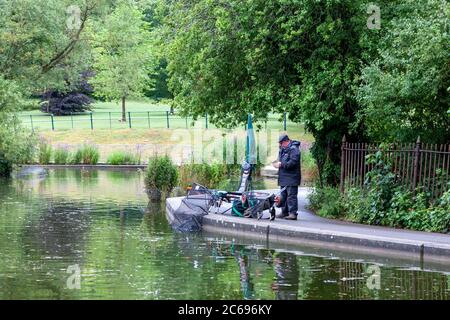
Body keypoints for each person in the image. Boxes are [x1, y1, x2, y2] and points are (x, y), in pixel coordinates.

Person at [273, 134, 301, 220]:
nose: (280, 145)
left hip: (292, 177)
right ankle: (284, 212)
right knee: (283, 195)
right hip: (284, 177)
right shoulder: (283, 149)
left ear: (286, 141)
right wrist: (275, 163)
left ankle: (293, 213)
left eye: (281, 143)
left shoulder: (294, 149)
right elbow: (280, 160)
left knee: (291, 196)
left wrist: (281, 164)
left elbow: (293, 163)